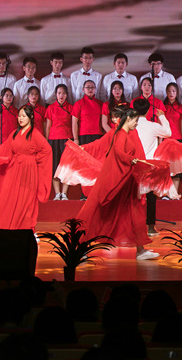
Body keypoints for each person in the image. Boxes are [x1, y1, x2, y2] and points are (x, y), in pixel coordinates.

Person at [77, 108, 159, 260]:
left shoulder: (125, 133)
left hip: (125, 180)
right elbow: (118, 152)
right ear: (128, 119)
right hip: (116, 180)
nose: (136, 124)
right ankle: (81, 246)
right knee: (98, 213)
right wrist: (131, 160)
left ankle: (140, 250)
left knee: (134, 213)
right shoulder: (120, 134)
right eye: (135, 121)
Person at [0, 105, 52, 230]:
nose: (21, 119)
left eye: (24, 116)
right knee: (6, 197)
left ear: (31, 117)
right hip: (14, 169)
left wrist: (33, 159)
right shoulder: (14, 133)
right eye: (19, 116)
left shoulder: (35, 134)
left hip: (28, 171)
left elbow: (47, 150)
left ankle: (23, 228)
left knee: (25, 201)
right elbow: (2, 150)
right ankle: (5, 227)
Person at [133, 98, 172, 235]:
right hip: (149, 165)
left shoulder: (131, 126)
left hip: (135, 163)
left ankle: (134, 225)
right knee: (151, 196)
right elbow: (168, 133)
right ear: (148, 110)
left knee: (134, 196)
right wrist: (162, 117)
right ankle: (150, 226)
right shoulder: (152, 125)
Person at [45, 84, 74, 200]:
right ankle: (57, 193)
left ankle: (64, 193)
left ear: (67, 95)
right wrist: (47, 142)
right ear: (55, 94)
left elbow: (73, 124)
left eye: (63, 93)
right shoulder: (51, 108)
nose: (61, 95)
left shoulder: (71, 108)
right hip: (53, 139)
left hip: (67, 139)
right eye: (59, 93)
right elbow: (48, 126)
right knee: (55, 166)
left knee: (67, 166)